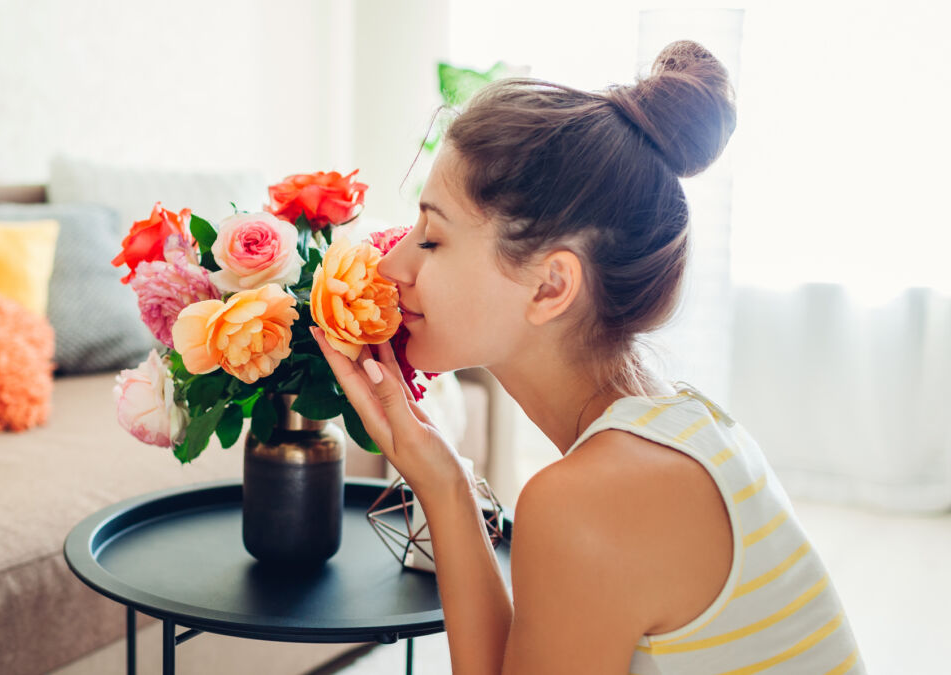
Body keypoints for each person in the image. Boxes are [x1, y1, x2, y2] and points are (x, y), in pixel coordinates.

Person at [311, 40, 864, 674]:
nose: (390, 264)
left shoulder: (589, 503)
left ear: (551, 287)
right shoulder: (688, 424)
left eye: (432, 239)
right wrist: (445, 481)